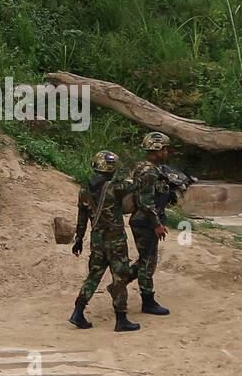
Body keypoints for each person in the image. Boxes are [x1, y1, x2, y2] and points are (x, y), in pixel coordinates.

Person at [70, 151, 140, 333]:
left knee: (93, 275)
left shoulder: (84, 190)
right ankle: (121, 319)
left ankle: (78, 312)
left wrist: (78, 239)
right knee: (120, 277)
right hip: (115, 239)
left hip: (97, 240)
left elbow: (82, 217)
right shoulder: (116, 186)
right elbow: (135, 186)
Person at [128, 132, 174, 317]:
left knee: (146, 261)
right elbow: (146, 202)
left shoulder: (143, 167)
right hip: (145, 222)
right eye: (164, 149)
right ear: (156, 150)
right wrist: (157, 224)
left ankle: (119, 283)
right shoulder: (149, 171)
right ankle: (147, 301)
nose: (166, 152)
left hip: (141, 220)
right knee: (147, 262)